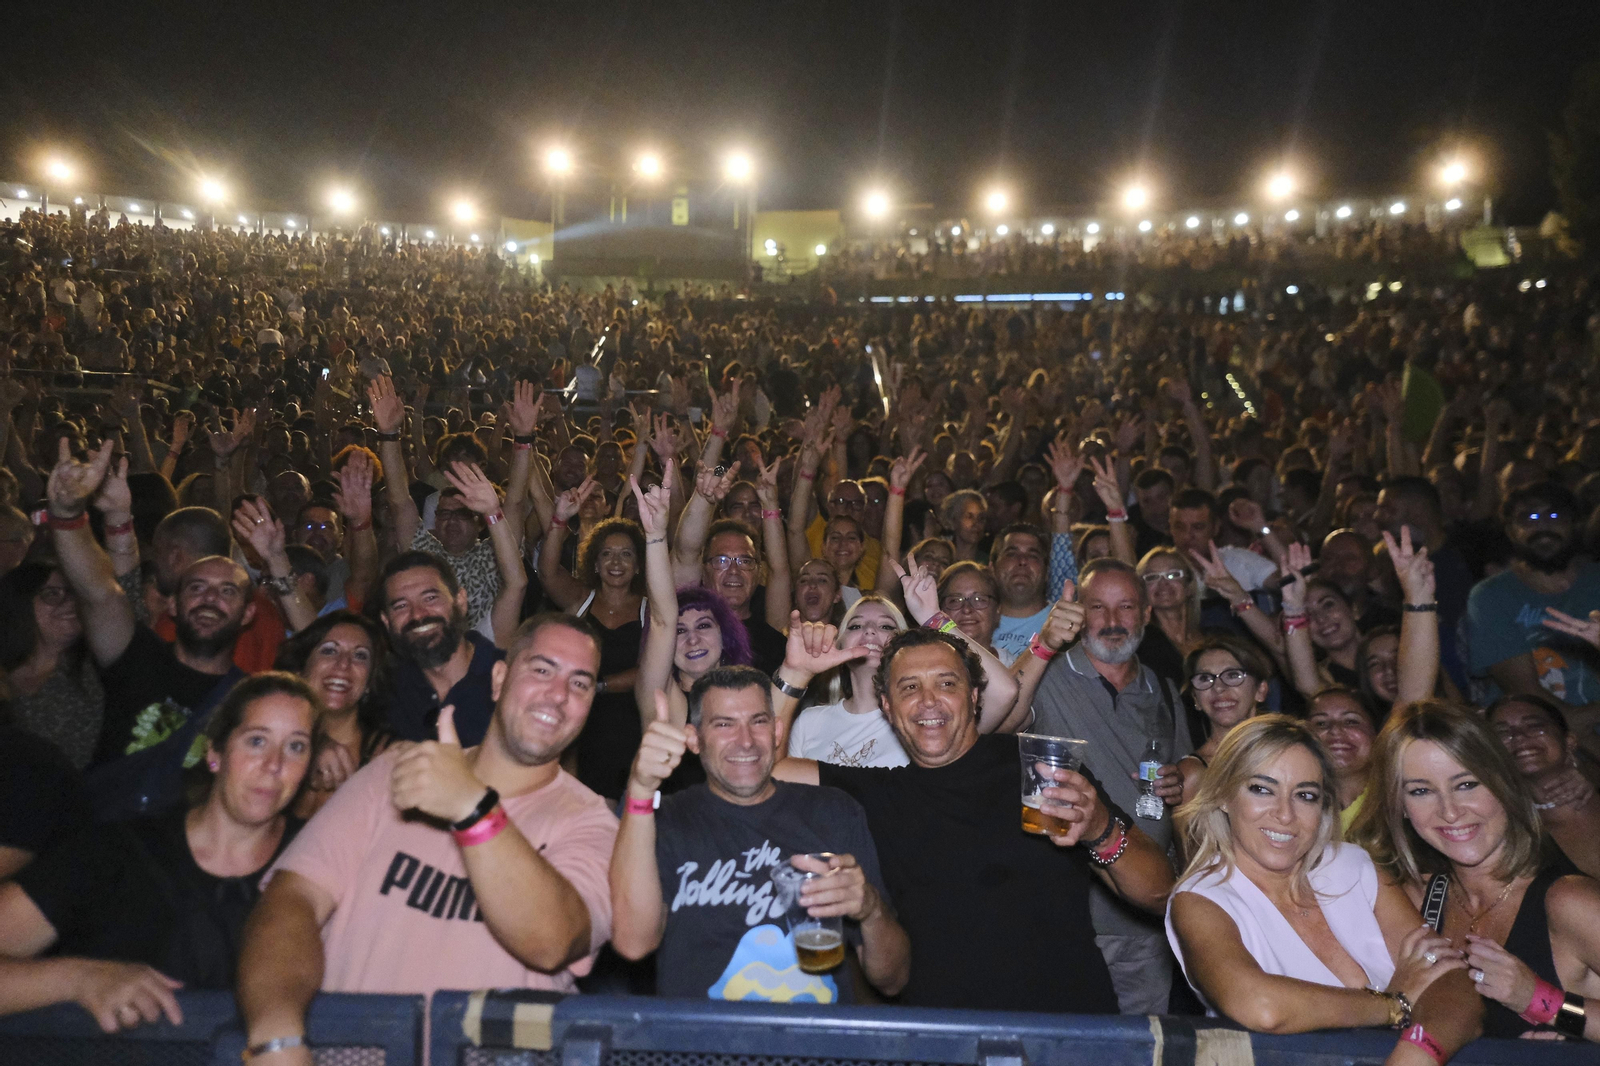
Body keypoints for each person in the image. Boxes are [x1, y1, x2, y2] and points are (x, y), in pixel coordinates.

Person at [238, 615, 619, 1063]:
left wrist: (473, 809)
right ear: (499, 678)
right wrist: (277, 1034)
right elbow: (293, 898)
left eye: (580, 683)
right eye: (541, 670)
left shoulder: (593, 823)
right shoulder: (394, 773)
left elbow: (552, 941)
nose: (558, 695)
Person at [773, 628, 1177, 1012]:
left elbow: (1160, 895)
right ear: (887, 708)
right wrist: (795, 674)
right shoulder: (877, 793)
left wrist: (1100, 828)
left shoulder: (1036, 769)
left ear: (974, 696)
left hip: (1066, 1031)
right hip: (946, 1035)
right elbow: (757, 769)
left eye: (947, 683)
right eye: (909, 687)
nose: (929, 700)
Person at [0, 673, 317, 1031]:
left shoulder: (319, 862)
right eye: (257, 741)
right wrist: (77, 979)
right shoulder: (120, 851)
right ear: (215, 753)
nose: (274, 764)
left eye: (296, 747)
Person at [1166, 715, 1483, 1059]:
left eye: (1305, 795)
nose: (1285, 814)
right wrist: (1396, 1005)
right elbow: (1261, 1005)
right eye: (1261, 789)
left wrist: (1416, 1053)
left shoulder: (1352, 866)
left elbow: (1454, 986)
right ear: (1224, 796)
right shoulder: (1202, 899)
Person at [609, 666, 910, 1002]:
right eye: (724, 724)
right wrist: (640, 790)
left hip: (814, 1045)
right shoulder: (666, 819)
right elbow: (632, 943)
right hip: (700, 1048)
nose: (746, 741)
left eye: (758, 721)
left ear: (778, 730)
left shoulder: (834, 812)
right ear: (694, 739)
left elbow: (893, 979)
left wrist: (870, 909)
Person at [1352, 700, 1600, 1041]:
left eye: (1466, 784)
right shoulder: (1408, 903)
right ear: (1401, 807)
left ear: (1503, 782)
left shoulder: (1570, 901)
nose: (1450, 812)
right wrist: (1393, 1002)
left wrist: (1547, 1004)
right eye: (1421, 791)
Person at [1027, 556, 1190, 1013]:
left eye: (1127, 607)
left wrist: (1181, 779)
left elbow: (1183, 780)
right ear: (1079, 612)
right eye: (1099, 608)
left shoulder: (1164, 690)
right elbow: (998, 715)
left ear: (1146, 614)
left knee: (1138, 1047)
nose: (1114, 622)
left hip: (1140, 921)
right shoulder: (1047, 675)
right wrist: (1041, 645)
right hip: (1058, 912)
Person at [1467, 483, 1600, 748]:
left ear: (1575, 524)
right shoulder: (1492, 596)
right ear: (1510, 531)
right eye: (1529, 518)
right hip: (1539, 742)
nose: (1542, 527)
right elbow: (1528, 697)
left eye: (1554, 516)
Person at [538, 507, 648, 801]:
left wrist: (598, 686)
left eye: (626, 554)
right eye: (607, 554)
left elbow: (651, 669)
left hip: (631, 726)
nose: (616, 562)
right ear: (595, 563)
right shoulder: (580, 599)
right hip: (581, 727)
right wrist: (559, 519)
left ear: (638, 565)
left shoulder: (650, 609)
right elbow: (547, 571)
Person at [274, 611, 392, 819]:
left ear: (369, 682)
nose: (344, 664)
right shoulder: (271, 739)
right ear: (301, 669)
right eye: (329, 651)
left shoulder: (387, 757)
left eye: (360, 656)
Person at [0, 561, 104, 771]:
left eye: (73, 592)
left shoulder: (96, 665)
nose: (70, 602)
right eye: (52, 594)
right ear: (20, 603)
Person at [785, 595, 910, 768]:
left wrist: (933, 616)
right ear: (840, 644)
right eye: (856, 626)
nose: (869, 630)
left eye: (885, 626)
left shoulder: (917, 718)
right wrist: (794, 673)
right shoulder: (810, 722)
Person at [1487, 693, 1600, 879]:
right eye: (1502, 733)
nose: (1519, 737)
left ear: (1569, 741)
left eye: (1534, 726)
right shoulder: (1512, 837)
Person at [1176, 635, 1274, 805]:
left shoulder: (1286, 754)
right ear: (1195, 698)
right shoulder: (1193, 773)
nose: (1219, 688)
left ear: (1261, 689)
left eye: (1232, 675)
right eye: (1205, 679)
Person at [989, 525, 1055, 665]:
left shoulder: (1061, 623)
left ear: (1047, 572)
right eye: (1011, 554)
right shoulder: (974, 623)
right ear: (992, 568)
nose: (1023, 561)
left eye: (1033, 555)